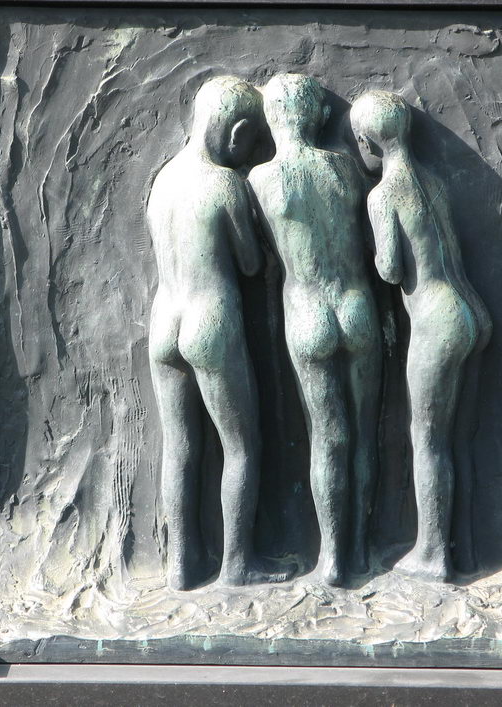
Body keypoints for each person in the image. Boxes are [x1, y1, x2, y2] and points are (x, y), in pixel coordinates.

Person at [147, 75, 293, 589]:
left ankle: (181, 565)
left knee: (180, 446)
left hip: (164, 322)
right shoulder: (225, 184)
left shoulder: (163, 180)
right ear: (236, 133)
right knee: (241, 446)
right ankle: (237, 563)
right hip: (210, 322)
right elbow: (250, 263)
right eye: (252, 141)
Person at [350, 90, 491, 581]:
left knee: (427, 440)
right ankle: (462, 548)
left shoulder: (383, 194)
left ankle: (432, 553)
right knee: (457, 440)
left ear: (367, 142)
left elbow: (390, 270)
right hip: (470, 310)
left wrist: (367, 243)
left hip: (436, 320)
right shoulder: (431, 179)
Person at [248, 74, 382, 586]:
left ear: (271, 120)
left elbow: (258, 255)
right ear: (320, 116)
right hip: (357, 307)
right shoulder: (345, 167)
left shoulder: (260, 180)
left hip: (307, 315)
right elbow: (368, 243)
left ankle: (332, 559)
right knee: (364, 434)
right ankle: (362, 549)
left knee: (328, 438)